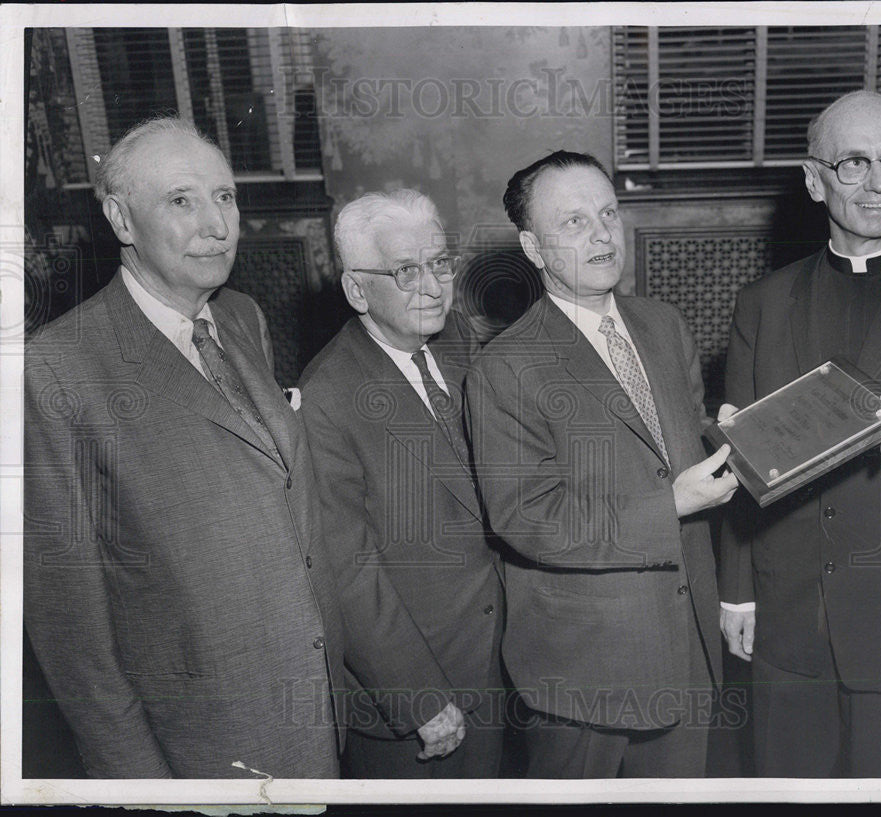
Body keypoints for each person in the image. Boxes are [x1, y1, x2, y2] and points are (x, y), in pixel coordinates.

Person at [23, 117, 345, 778]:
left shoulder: (240, 317)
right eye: (181, 200)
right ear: (119, 217)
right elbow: (69, 624)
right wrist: (138, 781)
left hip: (314, 705)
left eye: (224, 196)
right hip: (200, 744)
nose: (216, 223)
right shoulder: (56, 367)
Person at [719, 90, 881, 777]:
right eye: (853, 163)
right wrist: (737, 588)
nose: (879, 182)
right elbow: (736, 456)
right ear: (814, 179)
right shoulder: (763, 304)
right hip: (788, 625)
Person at [466, 151, 738, 778]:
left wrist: (744, 434)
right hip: (586, 671)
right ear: (533, 249)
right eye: (574, 222)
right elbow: (526, 518)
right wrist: (670, 504)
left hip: (687, 643)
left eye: (609, 212)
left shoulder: (662, 323)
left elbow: (681, 436)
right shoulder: (505, 367)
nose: (601, 234)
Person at [298, 190, 505, 778]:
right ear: (357, 290)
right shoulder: (327, 396)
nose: (434, 286)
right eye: (407, 271)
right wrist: (418, 695)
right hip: (412, 696)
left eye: (440, 263)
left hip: (490, 660)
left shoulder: (460, 341)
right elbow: (346, 567)